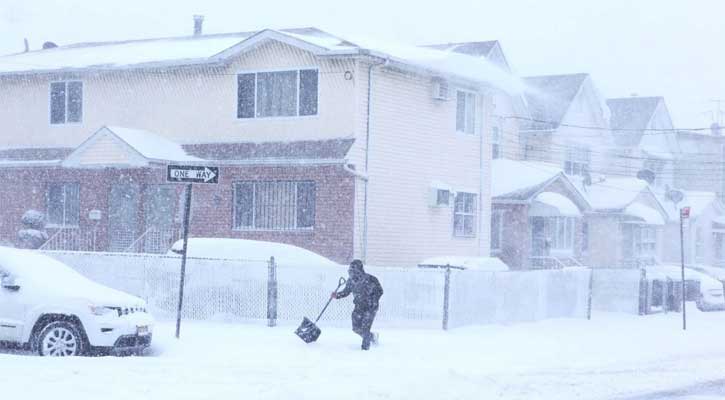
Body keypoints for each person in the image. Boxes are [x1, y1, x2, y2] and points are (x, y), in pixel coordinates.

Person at [331, 259, 383, 350]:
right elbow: (346, 292)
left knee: (365, 327)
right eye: (350, 270)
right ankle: (372, 337)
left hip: (370, 307)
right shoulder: (351, 281)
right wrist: (337, 295)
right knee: (356, 328)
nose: (351, 273)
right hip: (359, 307)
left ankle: (365, 349)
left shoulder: (371, 279)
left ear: (359, 270)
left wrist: (373, 301)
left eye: (353, 270)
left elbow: (380, 291)